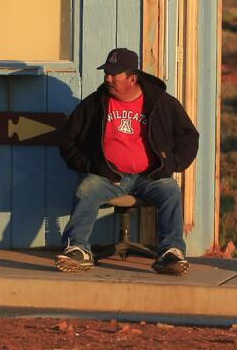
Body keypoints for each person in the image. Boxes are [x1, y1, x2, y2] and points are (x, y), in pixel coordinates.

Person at [54, 47, 200, 275]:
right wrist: (90, 166)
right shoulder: (95, 103)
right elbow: (67, 140)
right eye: (106, 73)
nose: (108, 78)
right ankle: (78, 249)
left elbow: (189, 136)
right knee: (86, 188)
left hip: (149, 176)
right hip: (107, 176)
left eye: (114, 74)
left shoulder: (161, 102)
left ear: (132, 78)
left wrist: (171, 164)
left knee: (170, 191)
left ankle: (170, 252)